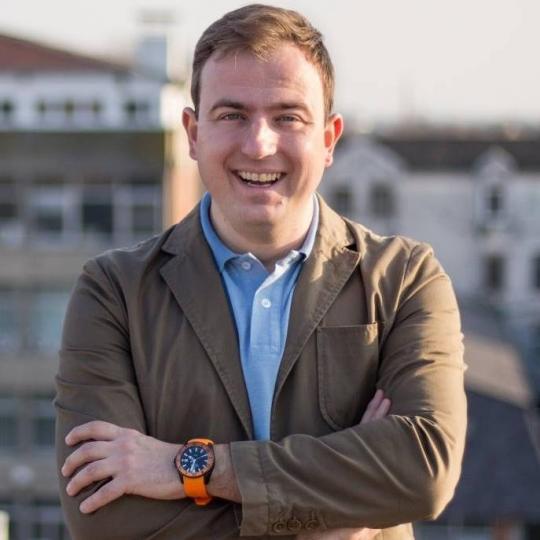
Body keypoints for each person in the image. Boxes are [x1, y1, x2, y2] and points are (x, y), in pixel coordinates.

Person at [55, 4, 467, 539]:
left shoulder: (405, 280)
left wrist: (193, 468)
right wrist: (339, 516)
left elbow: (424, 471)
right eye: (232, 115)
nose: (258, 144)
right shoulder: (115, 293)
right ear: (193, 133)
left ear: (329, 139)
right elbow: (104, 516)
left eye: (287, 117)